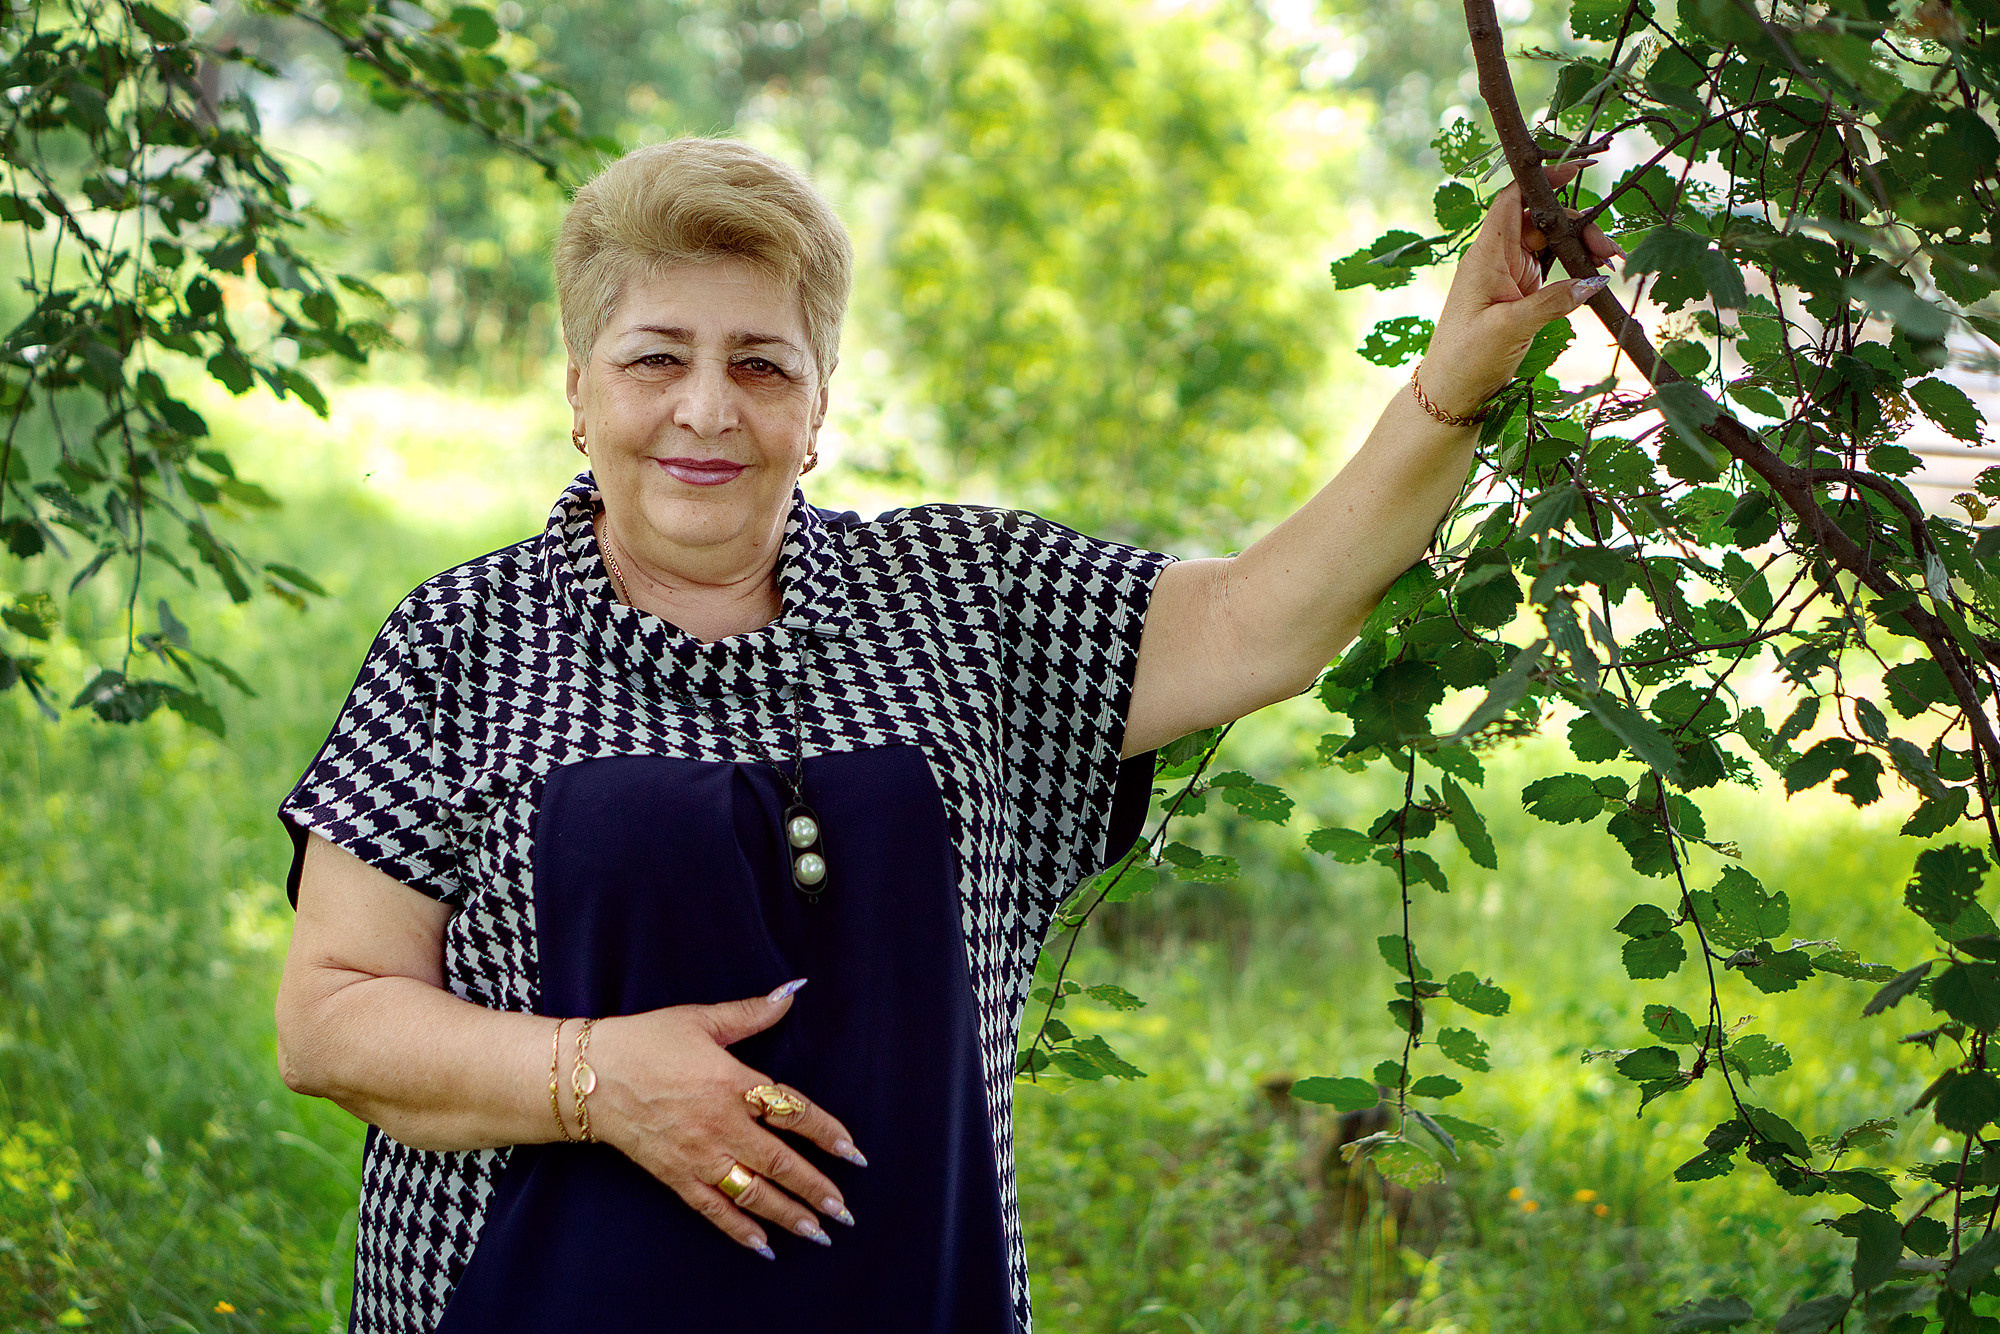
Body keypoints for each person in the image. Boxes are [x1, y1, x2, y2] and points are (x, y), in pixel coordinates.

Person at [272, 136, 1620, 1333]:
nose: (708, 407)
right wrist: (592, 1078)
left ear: (818, 408)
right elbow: (331, 1020)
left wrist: (1456, 374)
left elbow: (1265, 619)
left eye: (761, 364)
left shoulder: (962, 598)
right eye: (655, 358)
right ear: (579, 391)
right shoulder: (461, 641)